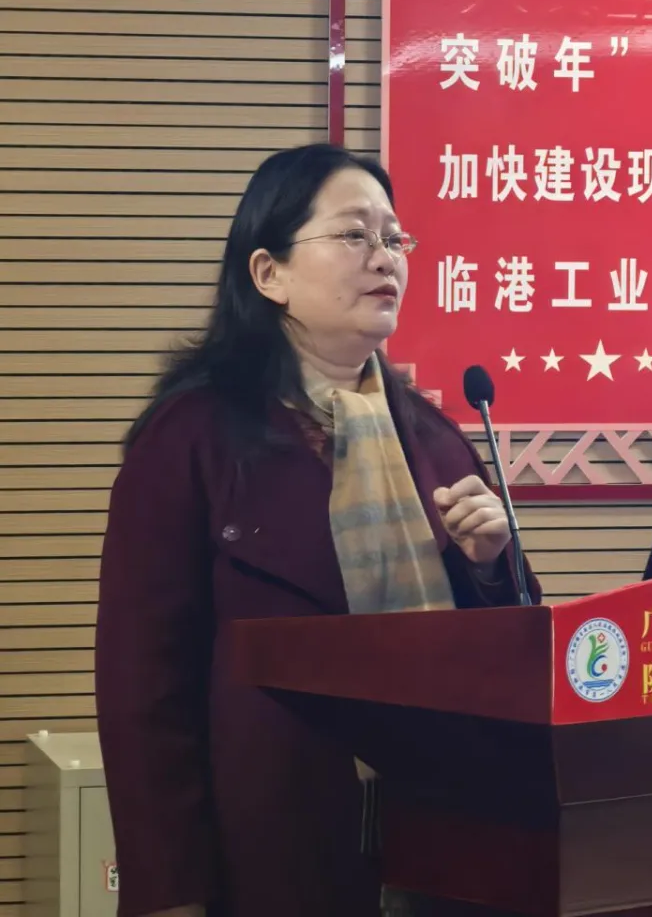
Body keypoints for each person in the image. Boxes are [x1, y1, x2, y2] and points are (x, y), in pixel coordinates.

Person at [95, 143, 538, 917]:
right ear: (269, 274)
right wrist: (170, 890)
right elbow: (143, 691)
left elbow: (509, 655)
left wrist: (492, 564)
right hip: (272, 844)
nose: (385, 257)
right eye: (354, 234)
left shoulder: (436, 438)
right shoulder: (191, 439)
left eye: (394, 237)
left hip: (450, 841)